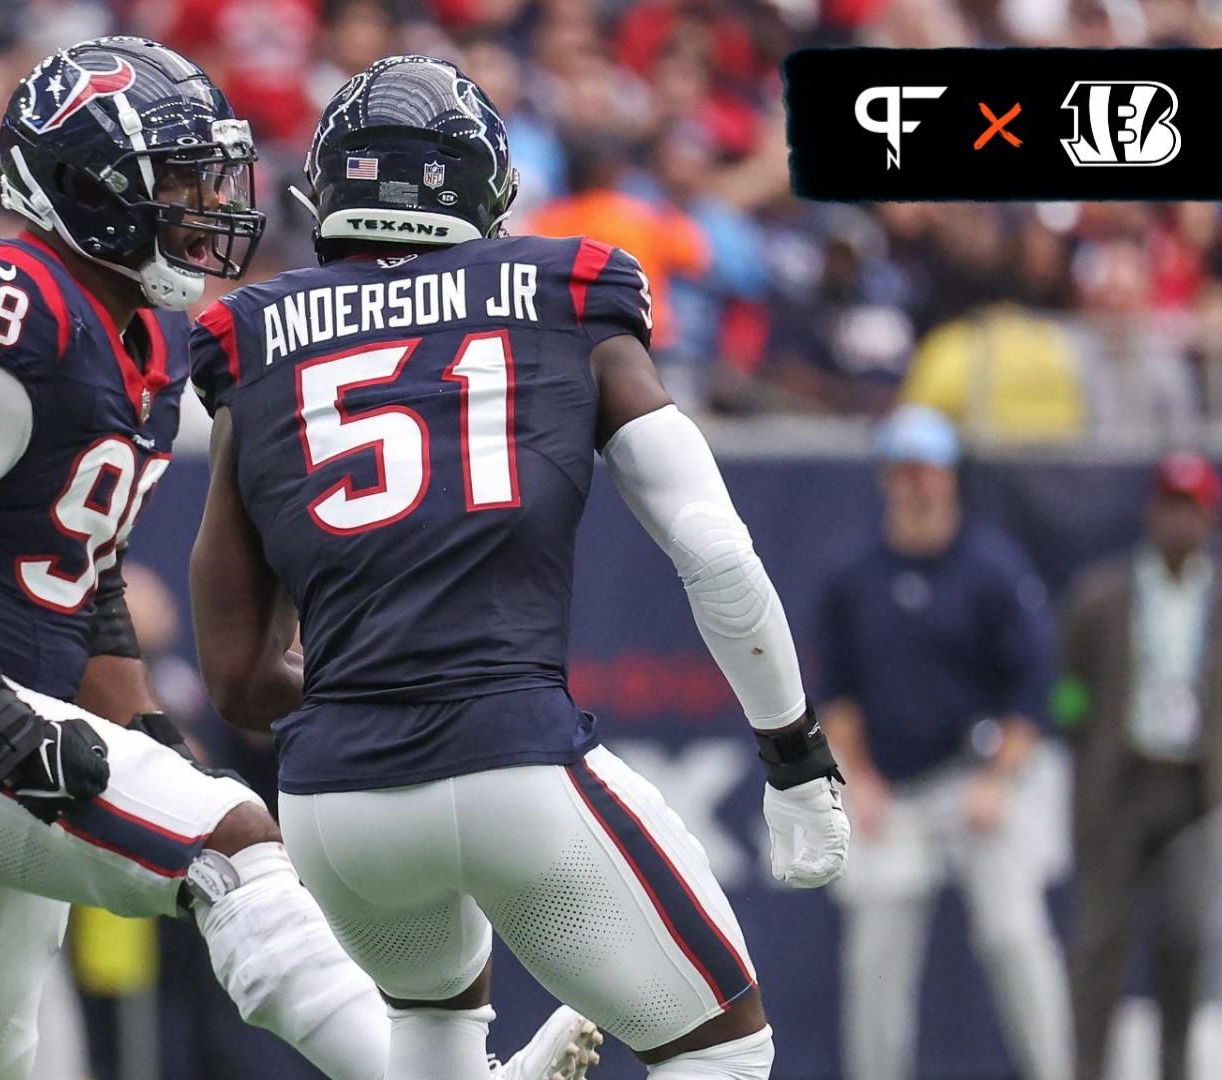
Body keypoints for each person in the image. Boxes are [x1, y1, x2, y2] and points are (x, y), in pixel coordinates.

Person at [0, 39, 599, 1080]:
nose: (202, 205)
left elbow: (81, 586)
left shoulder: (147, 339)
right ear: (88, 184)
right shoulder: (5, 295)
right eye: (174, 182)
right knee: (231, 844)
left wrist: (144, 732)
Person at [188, 55, 848, 1080]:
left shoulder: (253, 336)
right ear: (487, 190)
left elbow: (235, 679)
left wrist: (381, 704)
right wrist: (795, 756)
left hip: (335, 802)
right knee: (722, 1051)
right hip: (511, 756)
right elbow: (714, 547)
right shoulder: (563, 290)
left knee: (434, 1034)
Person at [816, 404, 1071, 1080]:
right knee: (875, 960)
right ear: (886, 480)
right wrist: (859, 781)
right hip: (889, 790)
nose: (915, 484)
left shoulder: (991, 568)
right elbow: (836, 697)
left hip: (975, 779)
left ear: (949, 477)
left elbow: (1030, 690)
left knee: (1016, 938)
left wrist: (996, 780)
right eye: (902, 471)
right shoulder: (854, 576)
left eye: (926, 470)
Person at [1057, 453, 1222, 1080]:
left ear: (1208, 518)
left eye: (1192, 510)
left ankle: (1175, 1067)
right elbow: (1068, 692)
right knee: (1100, 943)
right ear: (1152, 512)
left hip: (1193, 789)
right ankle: (1086, 1067)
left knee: (1183, 941)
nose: (1180, 523)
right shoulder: (1104, 596)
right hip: (1122, 785)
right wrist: (1090, 743)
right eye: (1171, 508)